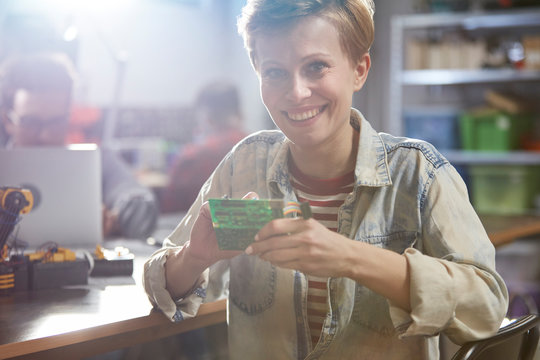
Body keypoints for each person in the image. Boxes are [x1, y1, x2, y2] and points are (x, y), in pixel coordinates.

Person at [143, 1, 509, 359]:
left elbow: (487, 308)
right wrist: (193, 259)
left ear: (359, 69)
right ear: (257, 71)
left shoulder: (418, 173)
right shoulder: (244, 166)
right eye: (274, 72)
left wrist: (350, 257)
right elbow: (163, 286)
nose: (296, 92)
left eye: (316, 67)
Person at [0, 52, 158, 240]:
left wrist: (120, 215)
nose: (45, 135)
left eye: (56, 122)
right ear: (7, 119)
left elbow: (133, 195)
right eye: (31, 122)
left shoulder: (95, 160)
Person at [160, 81, 247, 213]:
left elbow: (170, 208)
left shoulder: (192, 157)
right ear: (240, 113)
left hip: (201, 230)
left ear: (206, 116)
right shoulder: (262, 150)